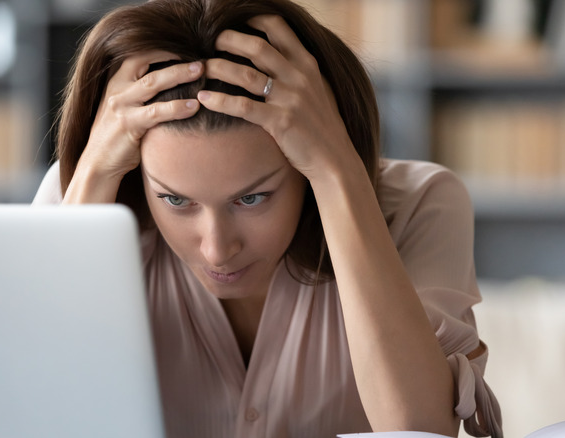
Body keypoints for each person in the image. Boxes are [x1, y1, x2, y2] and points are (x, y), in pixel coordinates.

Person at [32, 0, 503, 437]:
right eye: (176, 201)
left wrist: (336, 171)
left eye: (253, 198)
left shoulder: (422, 205)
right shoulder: (85, 202)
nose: (217, 249)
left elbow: (417, 430)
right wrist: (92, 171)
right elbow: (33, 415)